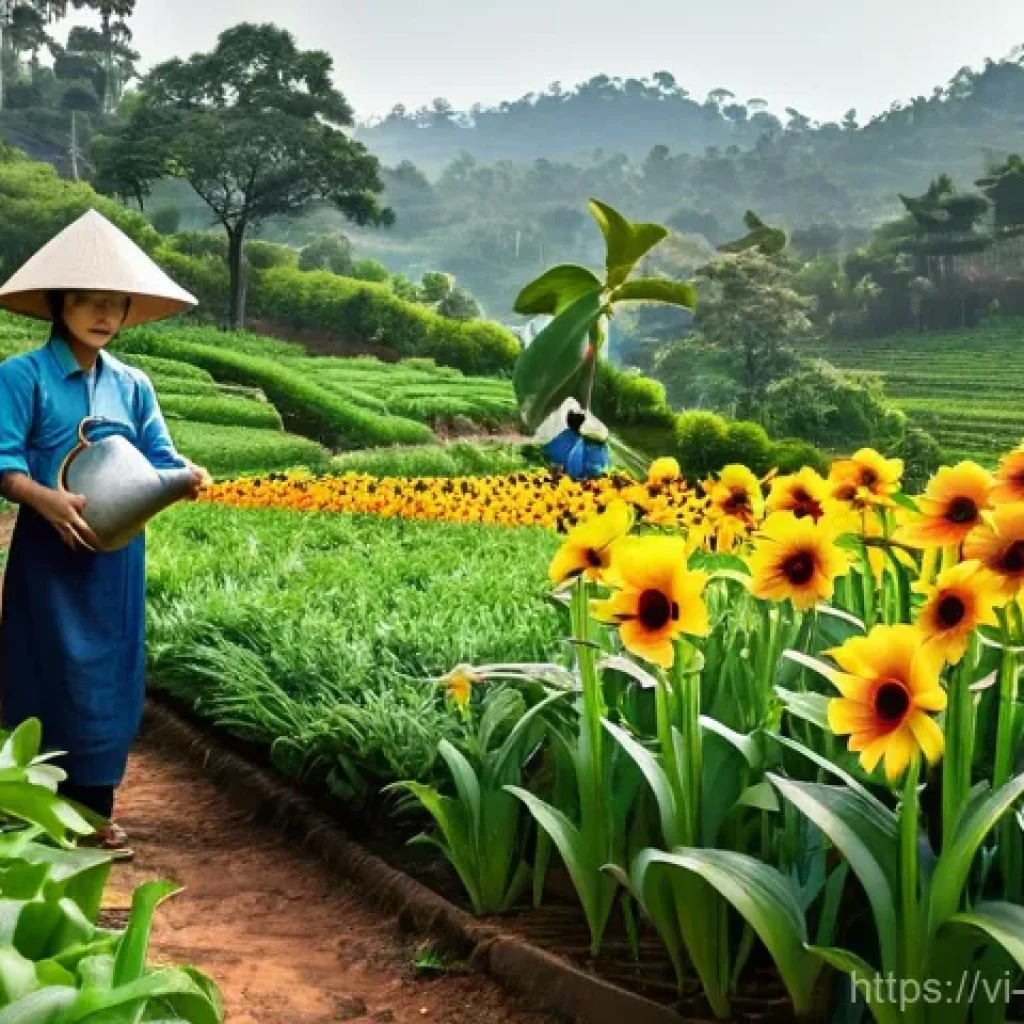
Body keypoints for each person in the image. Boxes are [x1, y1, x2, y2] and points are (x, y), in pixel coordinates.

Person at [0, 209, 206, 858]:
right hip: (47, 552)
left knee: (108, 678)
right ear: (60, 305)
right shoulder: (22, 376)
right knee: (41, 669)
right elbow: (3, 460)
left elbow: (160, 459)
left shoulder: (133, 385)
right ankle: (24, 806)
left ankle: (95, 813)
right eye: (88, 301)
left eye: (115, 304)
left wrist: (186, 477)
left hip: (114, 557)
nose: (103, 314)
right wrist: (47, 500)